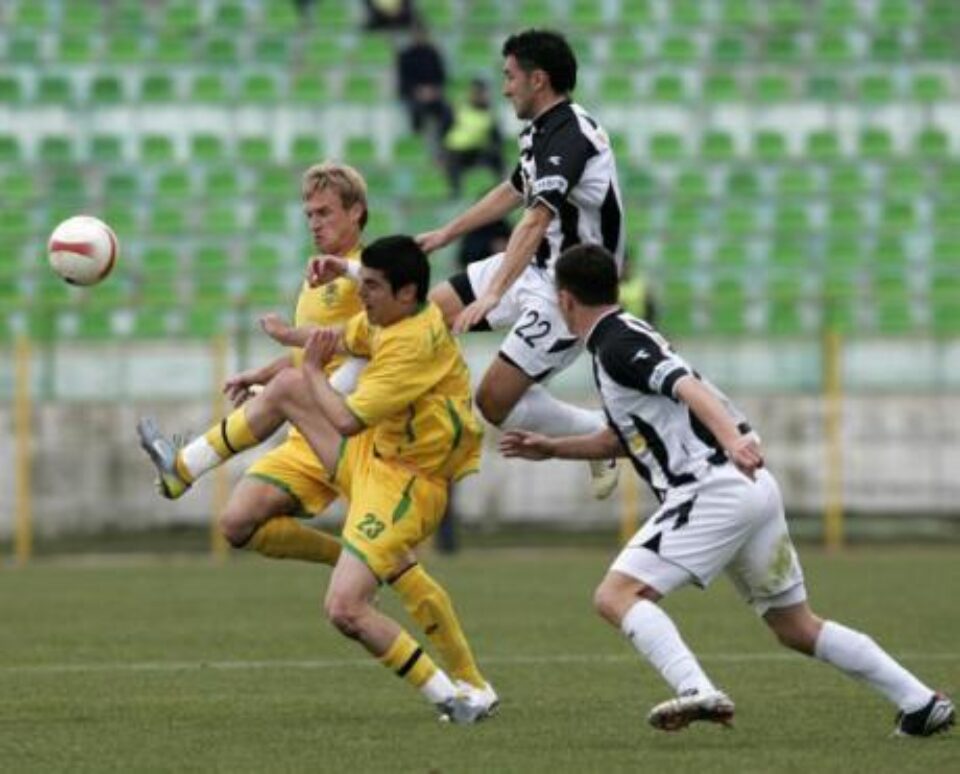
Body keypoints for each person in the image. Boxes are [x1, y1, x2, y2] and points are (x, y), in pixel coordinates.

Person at [500, 243, 956, 737]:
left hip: (712, 489)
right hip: (751, 490)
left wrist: (734, 440)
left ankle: (696, 690)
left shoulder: (614, 343)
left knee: (616, 595)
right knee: (795, 627)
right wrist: (553, 448)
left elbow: (685, 387)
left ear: (565, 300)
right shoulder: (627, 334)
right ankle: (919, 701)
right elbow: (622, 438)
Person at [137, 166, 496, 715]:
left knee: (356, 596)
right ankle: (187, 470)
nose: (314, 222)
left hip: (375, 443)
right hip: (344, 434)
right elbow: (327, 348)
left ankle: (461, 688)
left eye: (324, 212)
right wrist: (271, 365)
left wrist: (299, 372)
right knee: (238, 524)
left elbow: (346, 379)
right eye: (308, 213)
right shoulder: (351, 284)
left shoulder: (381, 290)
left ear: (357, 213)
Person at [321, 30, 625, 499]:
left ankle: (604, 435)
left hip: (572, 292)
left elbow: (535, 217)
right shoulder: (543, 131)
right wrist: (447, 233)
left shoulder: (570, 135)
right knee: (413, 314)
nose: (505, 88)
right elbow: (513, 191)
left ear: (537, 80)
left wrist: (493, 293)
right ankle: (333, 392)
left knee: (493, 402)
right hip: (534, 264)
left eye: (510, 77)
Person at [395, 20, 452, 151]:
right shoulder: (405, 56)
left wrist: (433, 91)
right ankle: (418, 146)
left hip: (433, 95)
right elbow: (403, 82)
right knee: (416, 111)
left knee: (447, 112)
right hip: (414, 95)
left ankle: (444, 145)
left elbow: (441, 78)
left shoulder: (433, 54)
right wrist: (418, 92)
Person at [443, 78, 504, 198]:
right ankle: (455, 193)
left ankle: (500, 190)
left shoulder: (489, 113)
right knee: (452, 164)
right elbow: (444, 129)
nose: (479, 96)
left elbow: (496, 138)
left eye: (482, 93)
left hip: (477, 151)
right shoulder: (458, 108)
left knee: (496, 157)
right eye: (476, 92)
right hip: (457, 151)